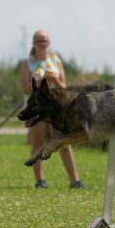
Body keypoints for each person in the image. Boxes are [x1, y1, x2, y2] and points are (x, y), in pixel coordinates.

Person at [19, 29, 86, 189]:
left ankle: (74, 180)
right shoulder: (26, 63)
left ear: (49, 43)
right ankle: (40, 180)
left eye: (44, 41)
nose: (42, 44)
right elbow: (26, 89)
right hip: (38, 109)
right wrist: (42, 78)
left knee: (64, 143)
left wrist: (55, 79)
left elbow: (64, 88)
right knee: (38, 143)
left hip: (58, 109)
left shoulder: (56, 61)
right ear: (33, 43)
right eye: (39, 41)